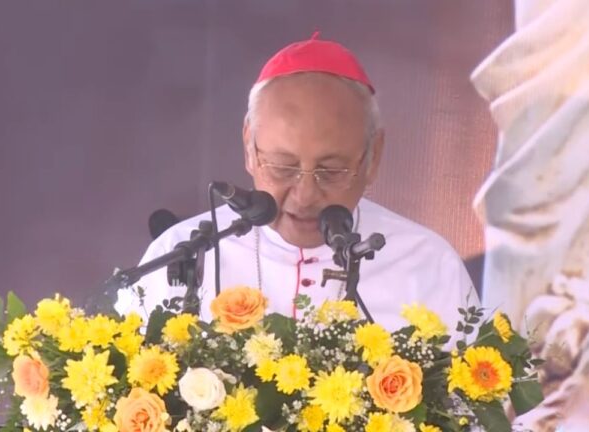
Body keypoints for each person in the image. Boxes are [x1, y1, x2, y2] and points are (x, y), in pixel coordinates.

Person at [115, 34, 478, 332]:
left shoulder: (428, 266)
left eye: (331, 171)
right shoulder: (179, 252)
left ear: (373, 157)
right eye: (283, 167)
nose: (305, 197)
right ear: (249, 148)